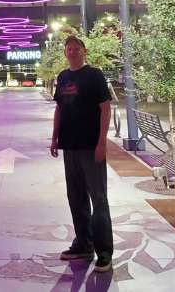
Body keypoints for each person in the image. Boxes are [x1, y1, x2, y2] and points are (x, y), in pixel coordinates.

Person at [49, 34, 113, 272]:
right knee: (75, 197)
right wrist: (54, 137)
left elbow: (105, 108)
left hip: (90, 146)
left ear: (84, 51)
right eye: (69, 49)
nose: (73, 52)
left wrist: (102, 142)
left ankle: (104, 251)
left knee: (98, 199)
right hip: (70, 146)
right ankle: (83, 244)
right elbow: (59, 108)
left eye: (77, 48)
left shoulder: (94, 75)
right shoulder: (63, 76)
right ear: (65, 53)